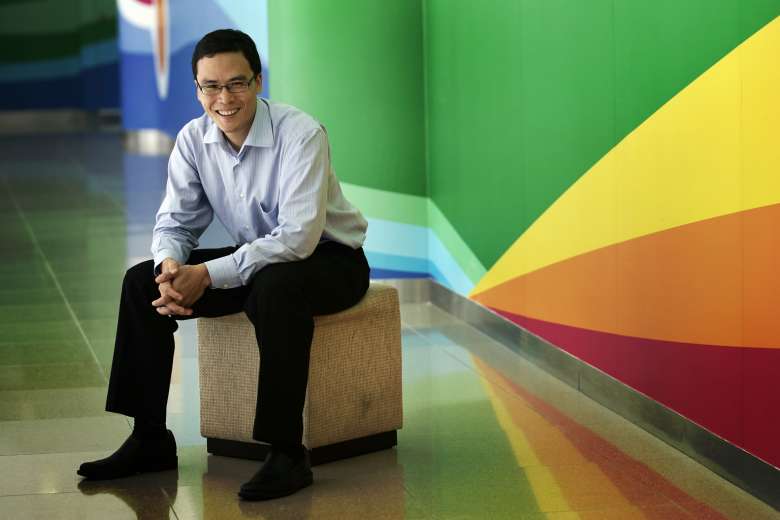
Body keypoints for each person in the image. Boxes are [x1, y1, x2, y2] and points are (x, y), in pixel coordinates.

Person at [77, 28, 369, 501]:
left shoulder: (301, 134)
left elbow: (297, 238)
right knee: (140, 281)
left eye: (236, 83)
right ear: (197, 89)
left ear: (257, 81)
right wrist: (171, 269)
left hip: (331, 260)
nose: (223, 98)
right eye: (210, 86)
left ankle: (287, 452)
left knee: (274, 289)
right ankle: (149, 437)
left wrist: (208, 275)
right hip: (263, 258)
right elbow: (175, 220)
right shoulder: (194, 139)